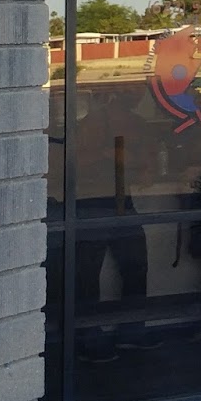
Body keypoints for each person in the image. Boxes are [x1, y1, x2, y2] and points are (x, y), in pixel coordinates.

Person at [72, 85, 156, 361]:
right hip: (92, 201)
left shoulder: (139, 123)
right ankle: (88, 337)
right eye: (130, 89)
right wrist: (108, 154)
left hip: (124, 201)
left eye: (138, 90)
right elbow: (73, 161)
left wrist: (142, 167)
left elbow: (148, 164)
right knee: (87, 273)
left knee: (136, 265)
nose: (135, 94)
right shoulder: (94, 122)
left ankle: (132, 331)